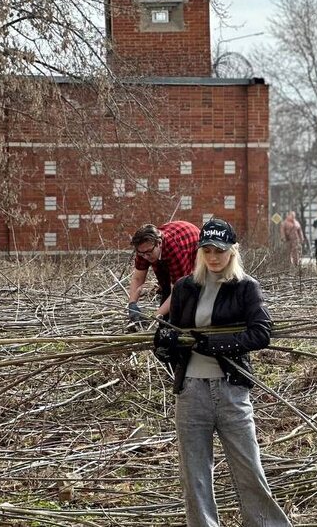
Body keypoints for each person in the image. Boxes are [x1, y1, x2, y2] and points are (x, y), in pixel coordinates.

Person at [152, 218, 291, 527]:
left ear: (233, 252)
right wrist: (165, 343)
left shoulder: (245, 288)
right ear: (200, 252)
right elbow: (174, 336)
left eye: (220, 251)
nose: (214, 257)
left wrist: (216, 344)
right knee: (195, 474)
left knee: (249, 469)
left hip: (231, 390)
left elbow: (261, 333)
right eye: (208, 250)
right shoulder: (186, 287)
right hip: (190, 391)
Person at [128, 221, 200, 324]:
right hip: (167, 248)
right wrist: (132, 304)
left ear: (159, 243)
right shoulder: (144, 248)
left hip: (191, 243)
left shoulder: (176, 250)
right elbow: (138, 278)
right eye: (142, 254)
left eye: (148, 253)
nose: (145, 257)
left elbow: (177, 290)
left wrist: (154, 317)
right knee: (165, 286)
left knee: (187, 289)